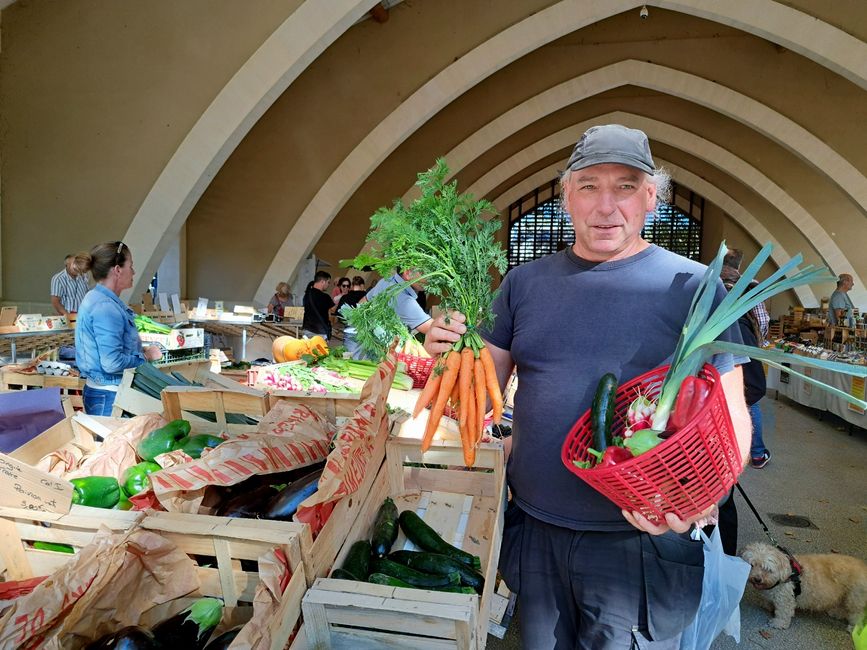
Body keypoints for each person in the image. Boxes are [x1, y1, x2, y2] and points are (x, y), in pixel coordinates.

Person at [422, 125, 753, 648]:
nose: (606, 206)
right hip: (535, 529)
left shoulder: (692, 286)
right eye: (589, 186)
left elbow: (733, 414)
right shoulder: (523, 283)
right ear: (565, 197)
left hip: (638, 543)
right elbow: (482, 393)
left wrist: (704, 497)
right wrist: (447, 351)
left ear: (650, 199)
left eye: (624, 187)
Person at [75, 241, 162, 415]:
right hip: (110, 396)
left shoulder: (96, 297)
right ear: (117, 270)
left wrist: (138, 349)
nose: (134, 272)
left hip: (105, 393)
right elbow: (111, 362)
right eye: (131, 266)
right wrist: (146, 356)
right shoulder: (106, 307)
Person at [724, 246, 770, 344]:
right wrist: (759, 342)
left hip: (707, 347)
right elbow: (761, 321)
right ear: (739, 264)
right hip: (742, 343)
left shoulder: (707, 283)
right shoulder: (750, 285)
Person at [302, 270, 334, 339]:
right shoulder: (325, 297)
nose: (328, 285)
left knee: (308, 349)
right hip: (320, 332)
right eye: (328, 282)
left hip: (307, 330)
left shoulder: (307, 295)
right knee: (320, 350)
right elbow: (333, 310)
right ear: (322, 281)